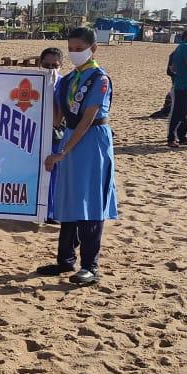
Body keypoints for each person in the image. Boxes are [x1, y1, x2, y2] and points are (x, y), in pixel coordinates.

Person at [37, 27, 119, 286]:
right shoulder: (70, 79)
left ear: (92, 49)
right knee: (69, 198)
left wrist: (64, 150)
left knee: (90, 202)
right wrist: (45, 86)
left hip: (91, 141)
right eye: (70, 49)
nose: (74, 53)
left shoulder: (99, 79)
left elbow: (89, 117)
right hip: (70, 138)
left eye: (78, 49)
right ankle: (65, 259)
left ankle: (90, 266)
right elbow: (58, 116)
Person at [40, 47, 64, 225]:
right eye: (46, 65)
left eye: (54, 65)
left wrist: (53, 91)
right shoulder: (29, 83)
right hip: (33, 135)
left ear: (61, 66)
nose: (50, 69)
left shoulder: (64, 85)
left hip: (56, 135)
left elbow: (56, 120)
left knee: (53, 174)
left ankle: (51, 211)